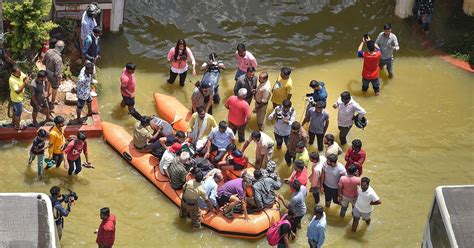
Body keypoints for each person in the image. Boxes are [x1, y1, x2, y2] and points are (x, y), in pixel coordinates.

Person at [43, 40, 64, 104]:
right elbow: (58, 73)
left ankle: (47, 96)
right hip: (54, 76)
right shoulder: (59, 59)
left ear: (55, 45)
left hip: (47, 71)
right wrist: (59, 81)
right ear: (62, 48)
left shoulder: (48, 51)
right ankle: (52, 101)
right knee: (55, 87)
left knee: (48, 82)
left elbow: (43, 61)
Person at [9, 65, 30, 130]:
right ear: (14, 73)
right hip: (17, 99)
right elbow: (17, 91)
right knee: (18, 113)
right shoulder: (12, 80)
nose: (20, 73)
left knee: (15, 110)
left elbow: (25, 76)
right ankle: (17, 127)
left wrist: (26, 78)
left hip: (17, 97)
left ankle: (13, 123)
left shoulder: (19, 72)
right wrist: (24, 83)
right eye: (18, 73)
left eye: (20, 71)